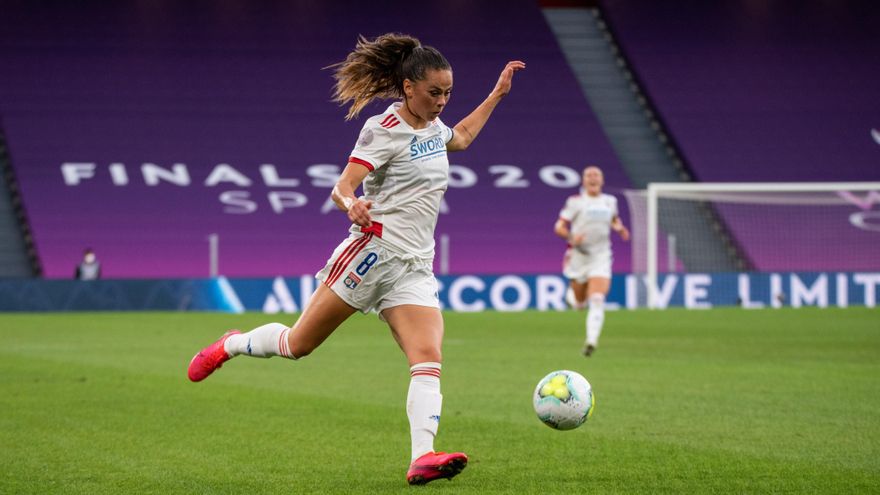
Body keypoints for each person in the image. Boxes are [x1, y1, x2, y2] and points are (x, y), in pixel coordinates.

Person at [186, 33, 524, 486]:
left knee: (427, 356)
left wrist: (496, 95)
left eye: (448, 92)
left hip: (413, 266)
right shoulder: (382, 129)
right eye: (434, 92)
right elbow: (342, 187)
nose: (442, 100)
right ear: (408, 88)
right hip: (370, 255)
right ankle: (230, 344)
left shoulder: (433, 128)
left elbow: (459, 138)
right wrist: (353, 205)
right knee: (297, 345)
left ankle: (422, 456)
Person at [553, 166, 629, 357]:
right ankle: (574, 300)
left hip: (601, 256)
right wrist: (571, 237)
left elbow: (613, 220)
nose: (593, 178)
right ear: (583, 180)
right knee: (580, 303)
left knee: (596, 298)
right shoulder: (575, 202)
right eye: (589, 175)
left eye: (596, 175)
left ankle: (591, 341)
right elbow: (559, 227)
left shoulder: (610, 201)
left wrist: (620, 229)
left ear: (602, 181)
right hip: (578, 256)